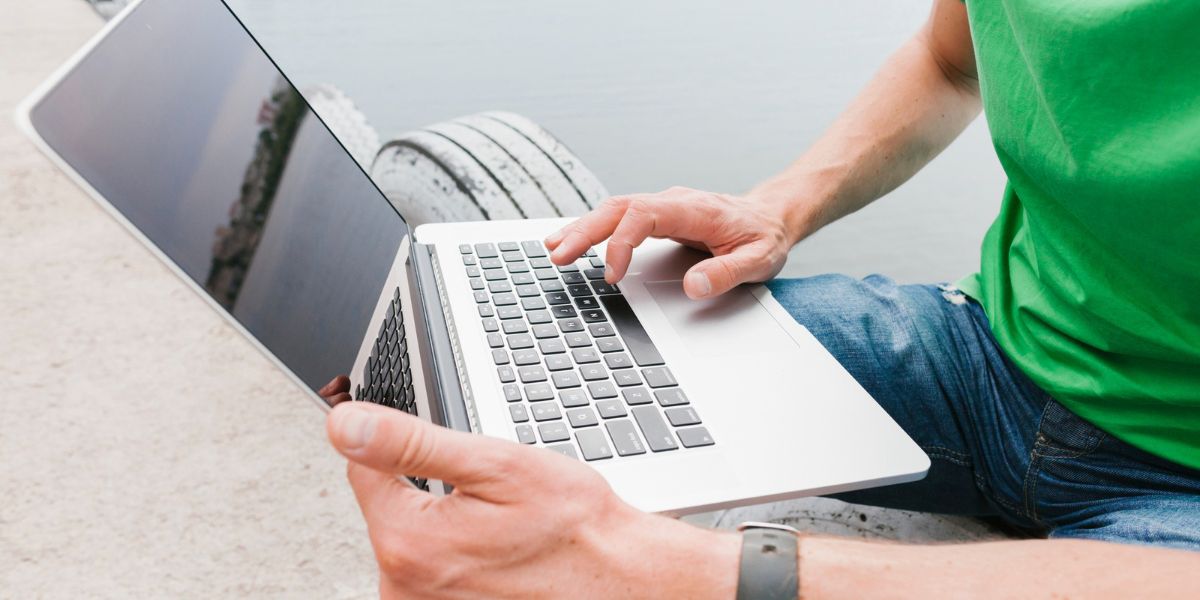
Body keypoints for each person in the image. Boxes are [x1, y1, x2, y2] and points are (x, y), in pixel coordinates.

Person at [319, 0, 1200, 596]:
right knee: (495, 398)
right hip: (993, 355)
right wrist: (774, 210)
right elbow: (948, 61)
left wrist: (682, 570)